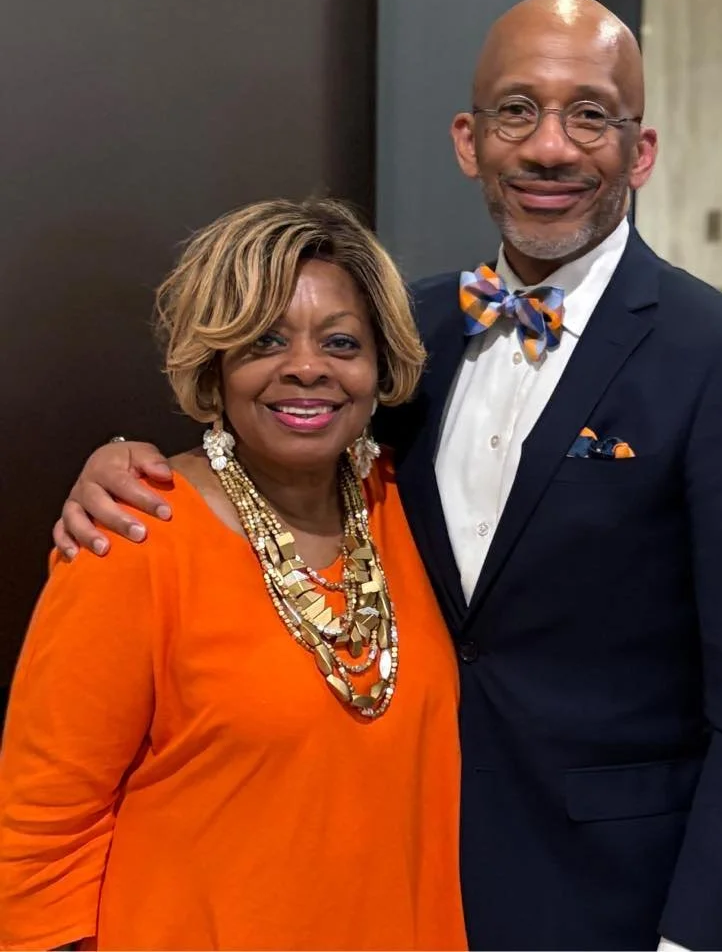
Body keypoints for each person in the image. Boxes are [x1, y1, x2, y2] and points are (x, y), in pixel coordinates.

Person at [48, 0, 722, 949]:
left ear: (642, 150)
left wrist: (706, 934)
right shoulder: (402, 333)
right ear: (470, 140)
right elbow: (284, 439)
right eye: (517, 111)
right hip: (400, 878)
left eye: (590, 113)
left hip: (618, 899)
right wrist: (120, 462)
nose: (551, 146)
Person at [0, 198, 467, 951]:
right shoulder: (134, 533)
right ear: (214, 364)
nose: (307, 368)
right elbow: (39, 833)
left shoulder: (408, 508)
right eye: (265, 340)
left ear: (381, 366)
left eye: (341, 342)